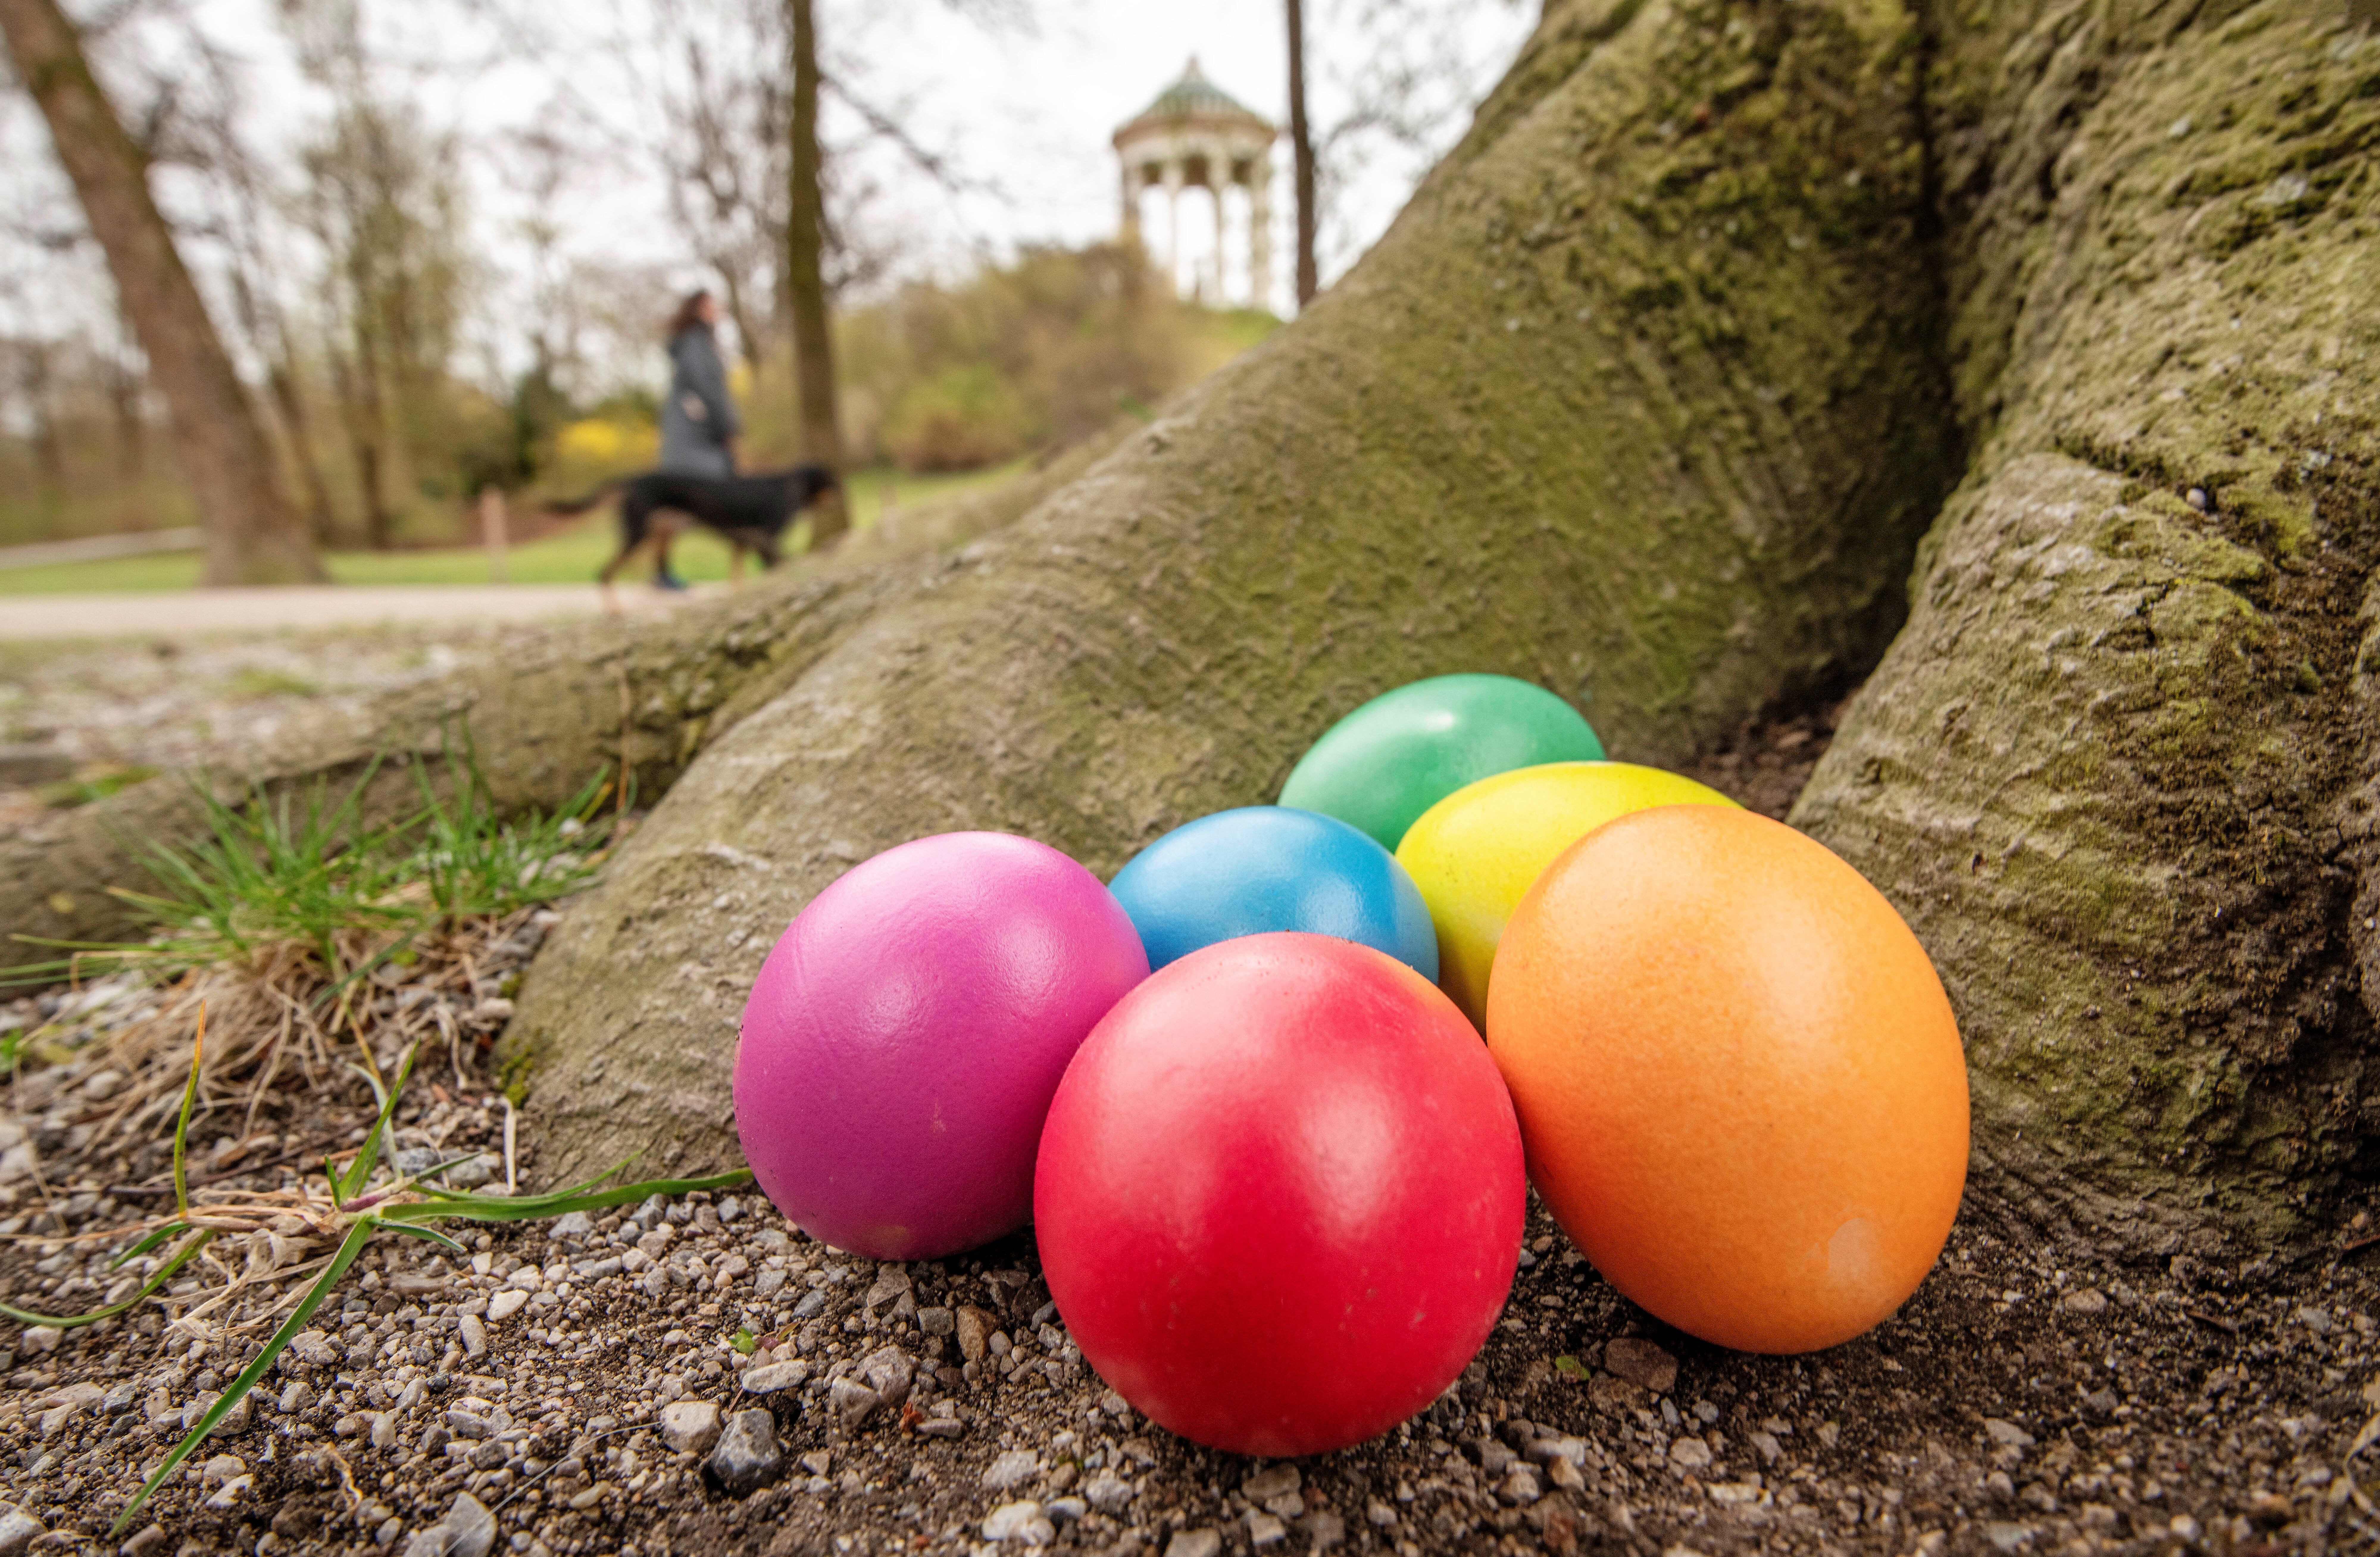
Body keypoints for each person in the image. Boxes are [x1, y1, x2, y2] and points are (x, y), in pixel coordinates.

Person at [651, 288, 742, 589]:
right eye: (712, 305)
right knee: (694, 504)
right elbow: (707, 388)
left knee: (679, 507)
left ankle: (663, 572)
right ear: (700, 309)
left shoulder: (696, 341)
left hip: (693, 439)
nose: (718, 310)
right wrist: (727, 426)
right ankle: (665, 573)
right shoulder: (695, 341)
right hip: (697, 441)